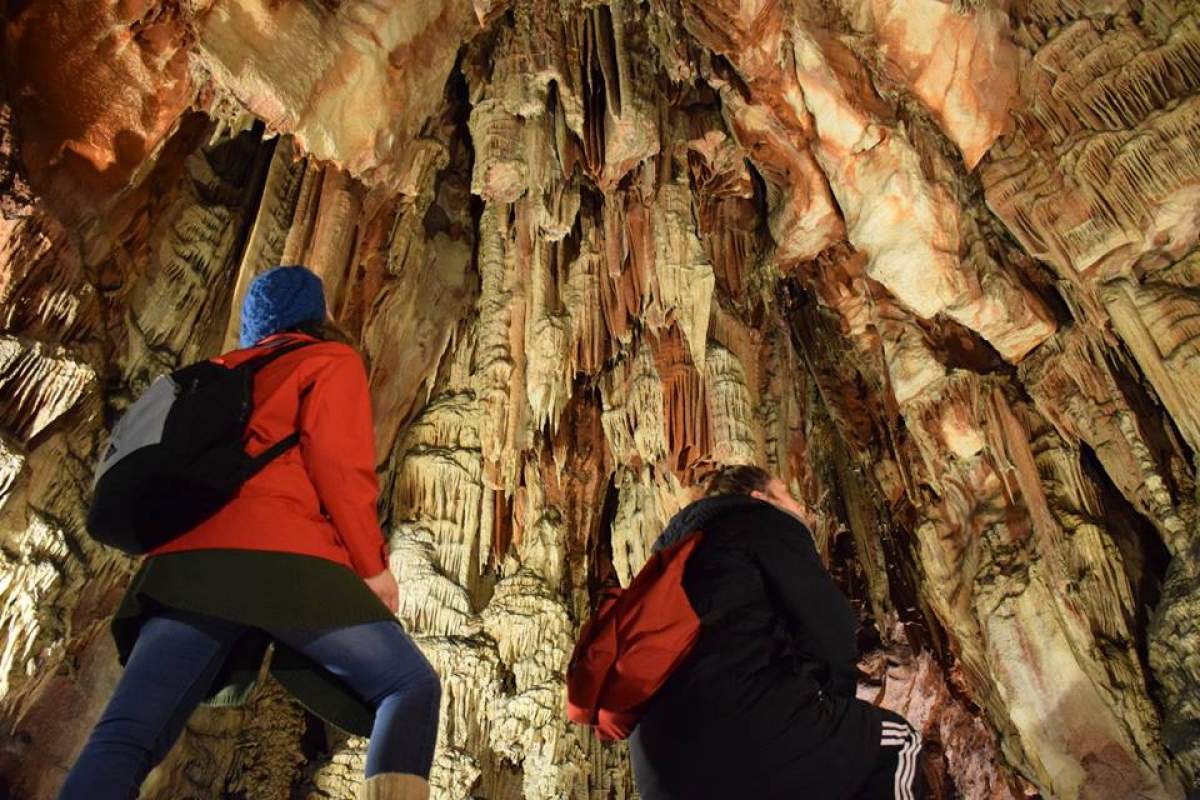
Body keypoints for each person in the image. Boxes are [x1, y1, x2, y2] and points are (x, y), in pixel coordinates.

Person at [61, 266, 440, 800]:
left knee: (129, 734)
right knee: (408, 684)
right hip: (283, 559)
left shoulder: (214, 372)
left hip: (186, 567)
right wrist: (373, 568)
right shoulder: (327, 360)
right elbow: (340, 469)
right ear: (317, 315)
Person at [629, 464, 924, 800]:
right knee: (899, 743)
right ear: (760, 497)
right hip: (744, 735)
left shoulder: (663, 564)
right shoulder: (759, 520)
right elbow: (830, 630)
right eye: (788, 495)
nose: (802, 509)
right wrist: (825, 708)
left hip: (659, 772)